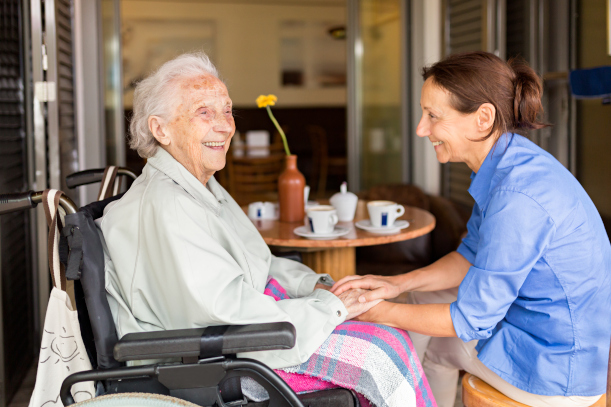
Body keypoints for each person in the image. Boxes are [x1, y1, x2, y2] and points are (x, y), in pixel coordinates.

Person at [332, 51, 611, 407]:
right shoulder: (508, 163)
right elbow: (469, 256)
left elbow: (469, 320)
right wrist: (396, 284)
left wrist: (376, 310)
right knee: (416, 305)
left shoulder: (517, 195)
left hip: (558, 370)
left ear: (483, 118)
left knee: (418, 339)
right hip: (547, 337)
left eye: (432, 116)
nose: (421, 129)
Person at [100, 52, 378, 369]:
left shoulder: (201, 186)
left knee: (383, 331)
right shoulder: (170, 207)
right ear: (161, 130)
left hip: (237, 342)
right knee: (379, 352)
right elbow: (227, 313)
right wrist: (331, 307)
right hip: (207, 368)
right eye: (204, 112)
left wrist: (314, 286)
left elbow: (258, 262)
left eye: (228, 111)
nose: (224, 126)